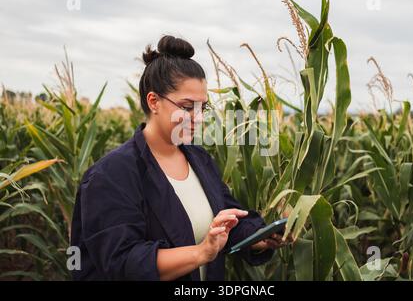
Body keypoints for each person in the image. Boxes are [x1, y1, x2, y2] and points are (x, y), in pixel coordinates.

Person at [70, 35, 290, 281]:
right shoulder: (111, 175)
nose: (198, 118)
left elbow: (228, 216)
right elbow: (123, 262)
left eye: (202, 107)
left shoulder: (199, 159)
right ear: (154, 101)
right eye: (187, 107)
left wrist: (260, 237)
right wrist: (201, 252)